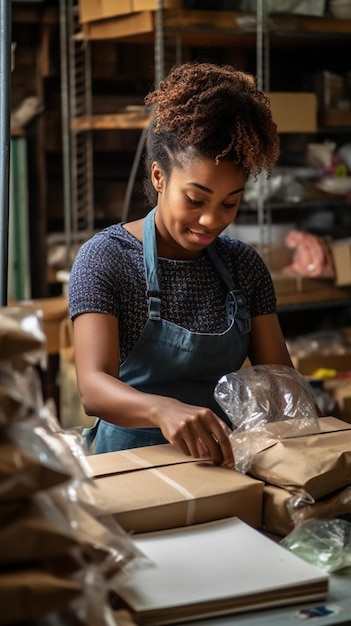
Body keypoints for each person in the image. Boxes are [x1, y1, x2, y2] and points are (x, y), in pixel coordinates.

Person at [68, 61, 294, 467]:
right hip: (129, 468)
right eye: (195, 200)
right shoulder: (106, 258)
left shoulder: (243, 267)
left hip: (220, 466)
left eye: (230, 203)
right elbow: (93, 388)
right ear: (159, 177)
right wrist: (162, 410)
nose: (212, 220)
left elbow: (280, 385)